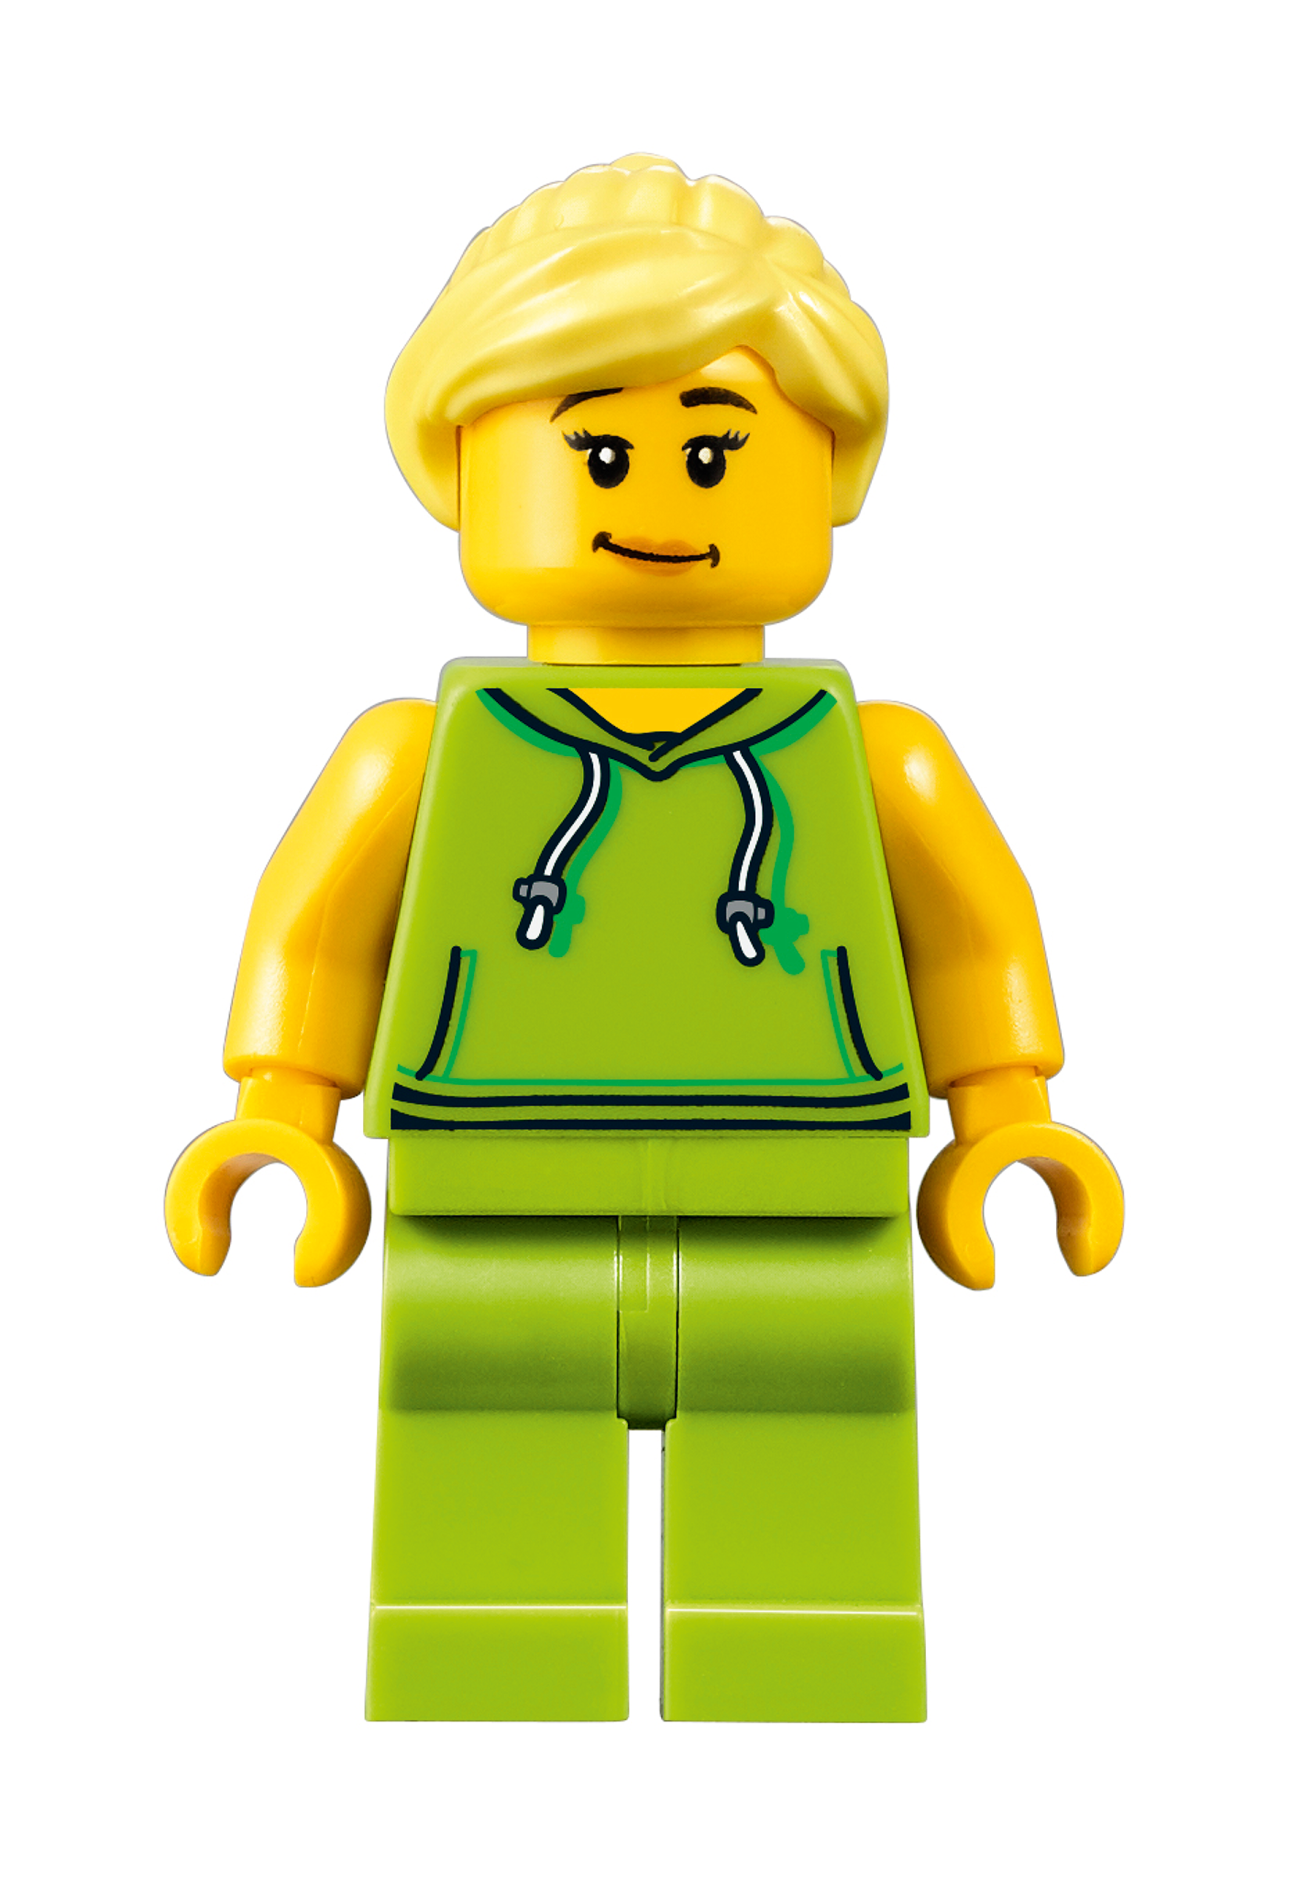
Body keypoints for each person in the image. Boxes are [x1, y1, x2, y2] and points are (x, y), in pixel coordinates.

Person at [166, 154, 1122, 1721]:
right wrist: (281, 1112)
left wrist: (1007, 1117)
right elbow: (316, 932)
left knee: (816, 1525)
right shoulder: (419, 753)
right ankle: (482, 1724)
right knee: (479, 1532)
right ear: (461, 471)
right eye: (597, 453)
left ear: (827, 469)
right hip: (488, 1199)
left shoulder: (877, 756)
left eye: (717, 452)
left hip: (811, 1198)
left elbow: (972, 935)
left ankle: (811, 1728)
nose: (660, 504)